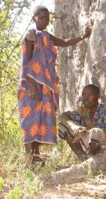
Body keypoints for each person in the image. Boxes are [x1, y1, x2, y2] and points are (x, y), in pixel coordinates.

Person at [18, 5, 92, 164]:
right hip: (31, 85)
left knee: (40, 119)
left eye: (47, 18)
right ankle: (30, 158)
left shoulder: (46, 36)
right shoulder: (31, 36)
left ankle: (36, 156)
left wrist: (83, 37)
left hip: (44, 86)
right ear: (34, 19)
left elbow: (64, 42)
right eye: (41, 18)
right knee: (30, 119)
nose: (44, 21)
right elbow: (27, 62)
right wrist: (31, 86)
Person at [58, 84, 106, 160]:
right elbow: (63, 116)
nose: (85, 98)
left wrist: (86, 133)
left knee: (96, 132)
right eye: (83, 95)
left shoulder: (105, 110)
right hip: (89, 144)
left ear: (97, 96)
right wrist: (74, 126)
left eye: (89, 95)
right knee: (63, 126)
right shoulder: (83, 111)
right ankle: (83, 158)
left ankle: (92, 158)